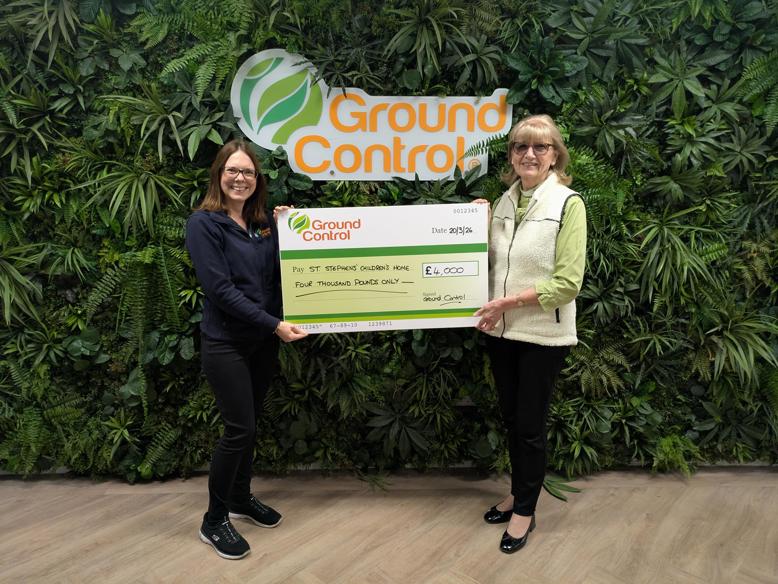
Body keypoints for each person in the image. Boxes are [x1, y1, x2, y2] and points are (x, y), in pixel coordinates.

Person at [186, 140, 307, 560]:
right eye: (233, 171)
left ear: (258, 180)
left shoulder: (262, 223)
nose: (241, 178)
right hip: (226, 343)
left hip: (261, 342)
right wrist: (275, 324)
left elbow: (278, 273)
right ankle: (214, 519)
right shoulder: (203, 224)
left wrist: (289, 229)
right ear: (219, 175)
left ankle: (239, 497)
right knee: (239, 429)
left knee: (251, 425)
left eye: (249, 172)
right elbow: (220, 290)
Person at [473, 114, 586, 554]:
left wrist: (507, 303)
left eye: (540, 147)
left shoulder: (568, 204)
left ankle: (525, 510)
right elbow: (489, 263)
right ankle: (518, 492)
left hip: (542, 334)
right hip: (500, 333)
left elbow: (567, 283)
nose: (530, 154)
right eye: (521, 146)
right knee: (511, 420)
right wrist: (471, 225)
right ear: (511, 156)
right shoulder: (503, 202)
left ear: (555, 155)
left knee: (529, 426)